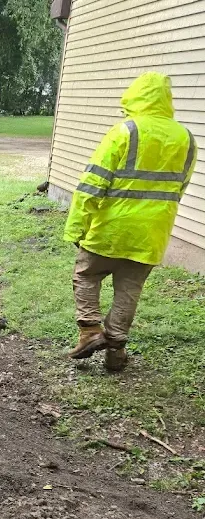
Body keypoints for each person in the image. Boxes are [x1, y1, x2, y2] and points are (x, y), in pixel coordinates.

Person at [64, 71, 197, 372]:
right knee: (129, 290)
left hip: (111, 228)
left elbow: (92, 184)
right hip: (150, 235)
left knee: (85, 275)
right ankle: (116, 355)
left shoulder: (125, 131)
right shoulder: (186, 139)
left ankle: (88, 331)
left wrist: (76, 227)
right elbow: (180, 189)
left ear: (136, 95)